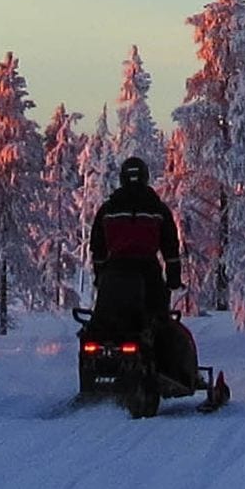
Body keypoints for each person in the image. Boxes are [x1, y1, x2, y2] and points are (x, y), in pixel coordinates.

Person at [86, 158, 201, 393]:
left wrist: (100, 275)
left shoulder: (108, 209)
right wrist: (173, 278)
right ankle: (171, 372)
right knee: (160, 323)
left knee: (103, 326)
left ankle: (99, 370)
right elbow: (170, 248)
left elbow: (97, 247)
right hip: (146, 273)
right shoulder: (157, 209)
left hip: (114, 275)